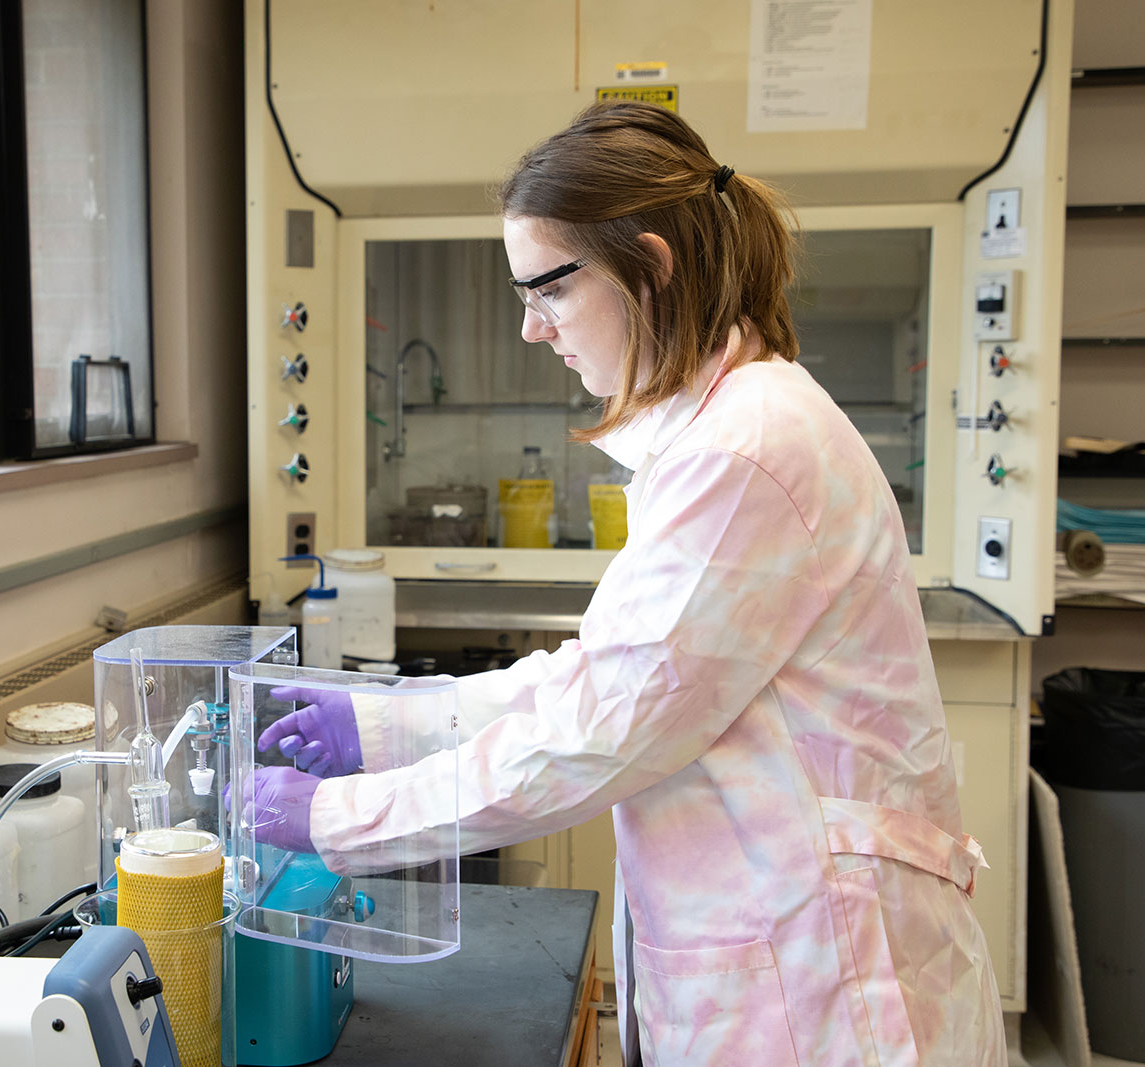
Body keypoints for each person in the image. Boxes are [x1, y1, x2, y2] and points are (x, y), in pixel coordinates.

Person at [239, 100, 1006, 1066]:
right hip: (779, 942)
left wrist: (336, 816)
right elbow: (614, 676)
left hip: (824, 984)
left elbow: (601, 732)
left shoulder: (745, 450)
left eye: (547, 290)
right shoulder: (714, 432)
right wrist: (386, 723)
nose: (529, 328)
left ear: (650, 263)